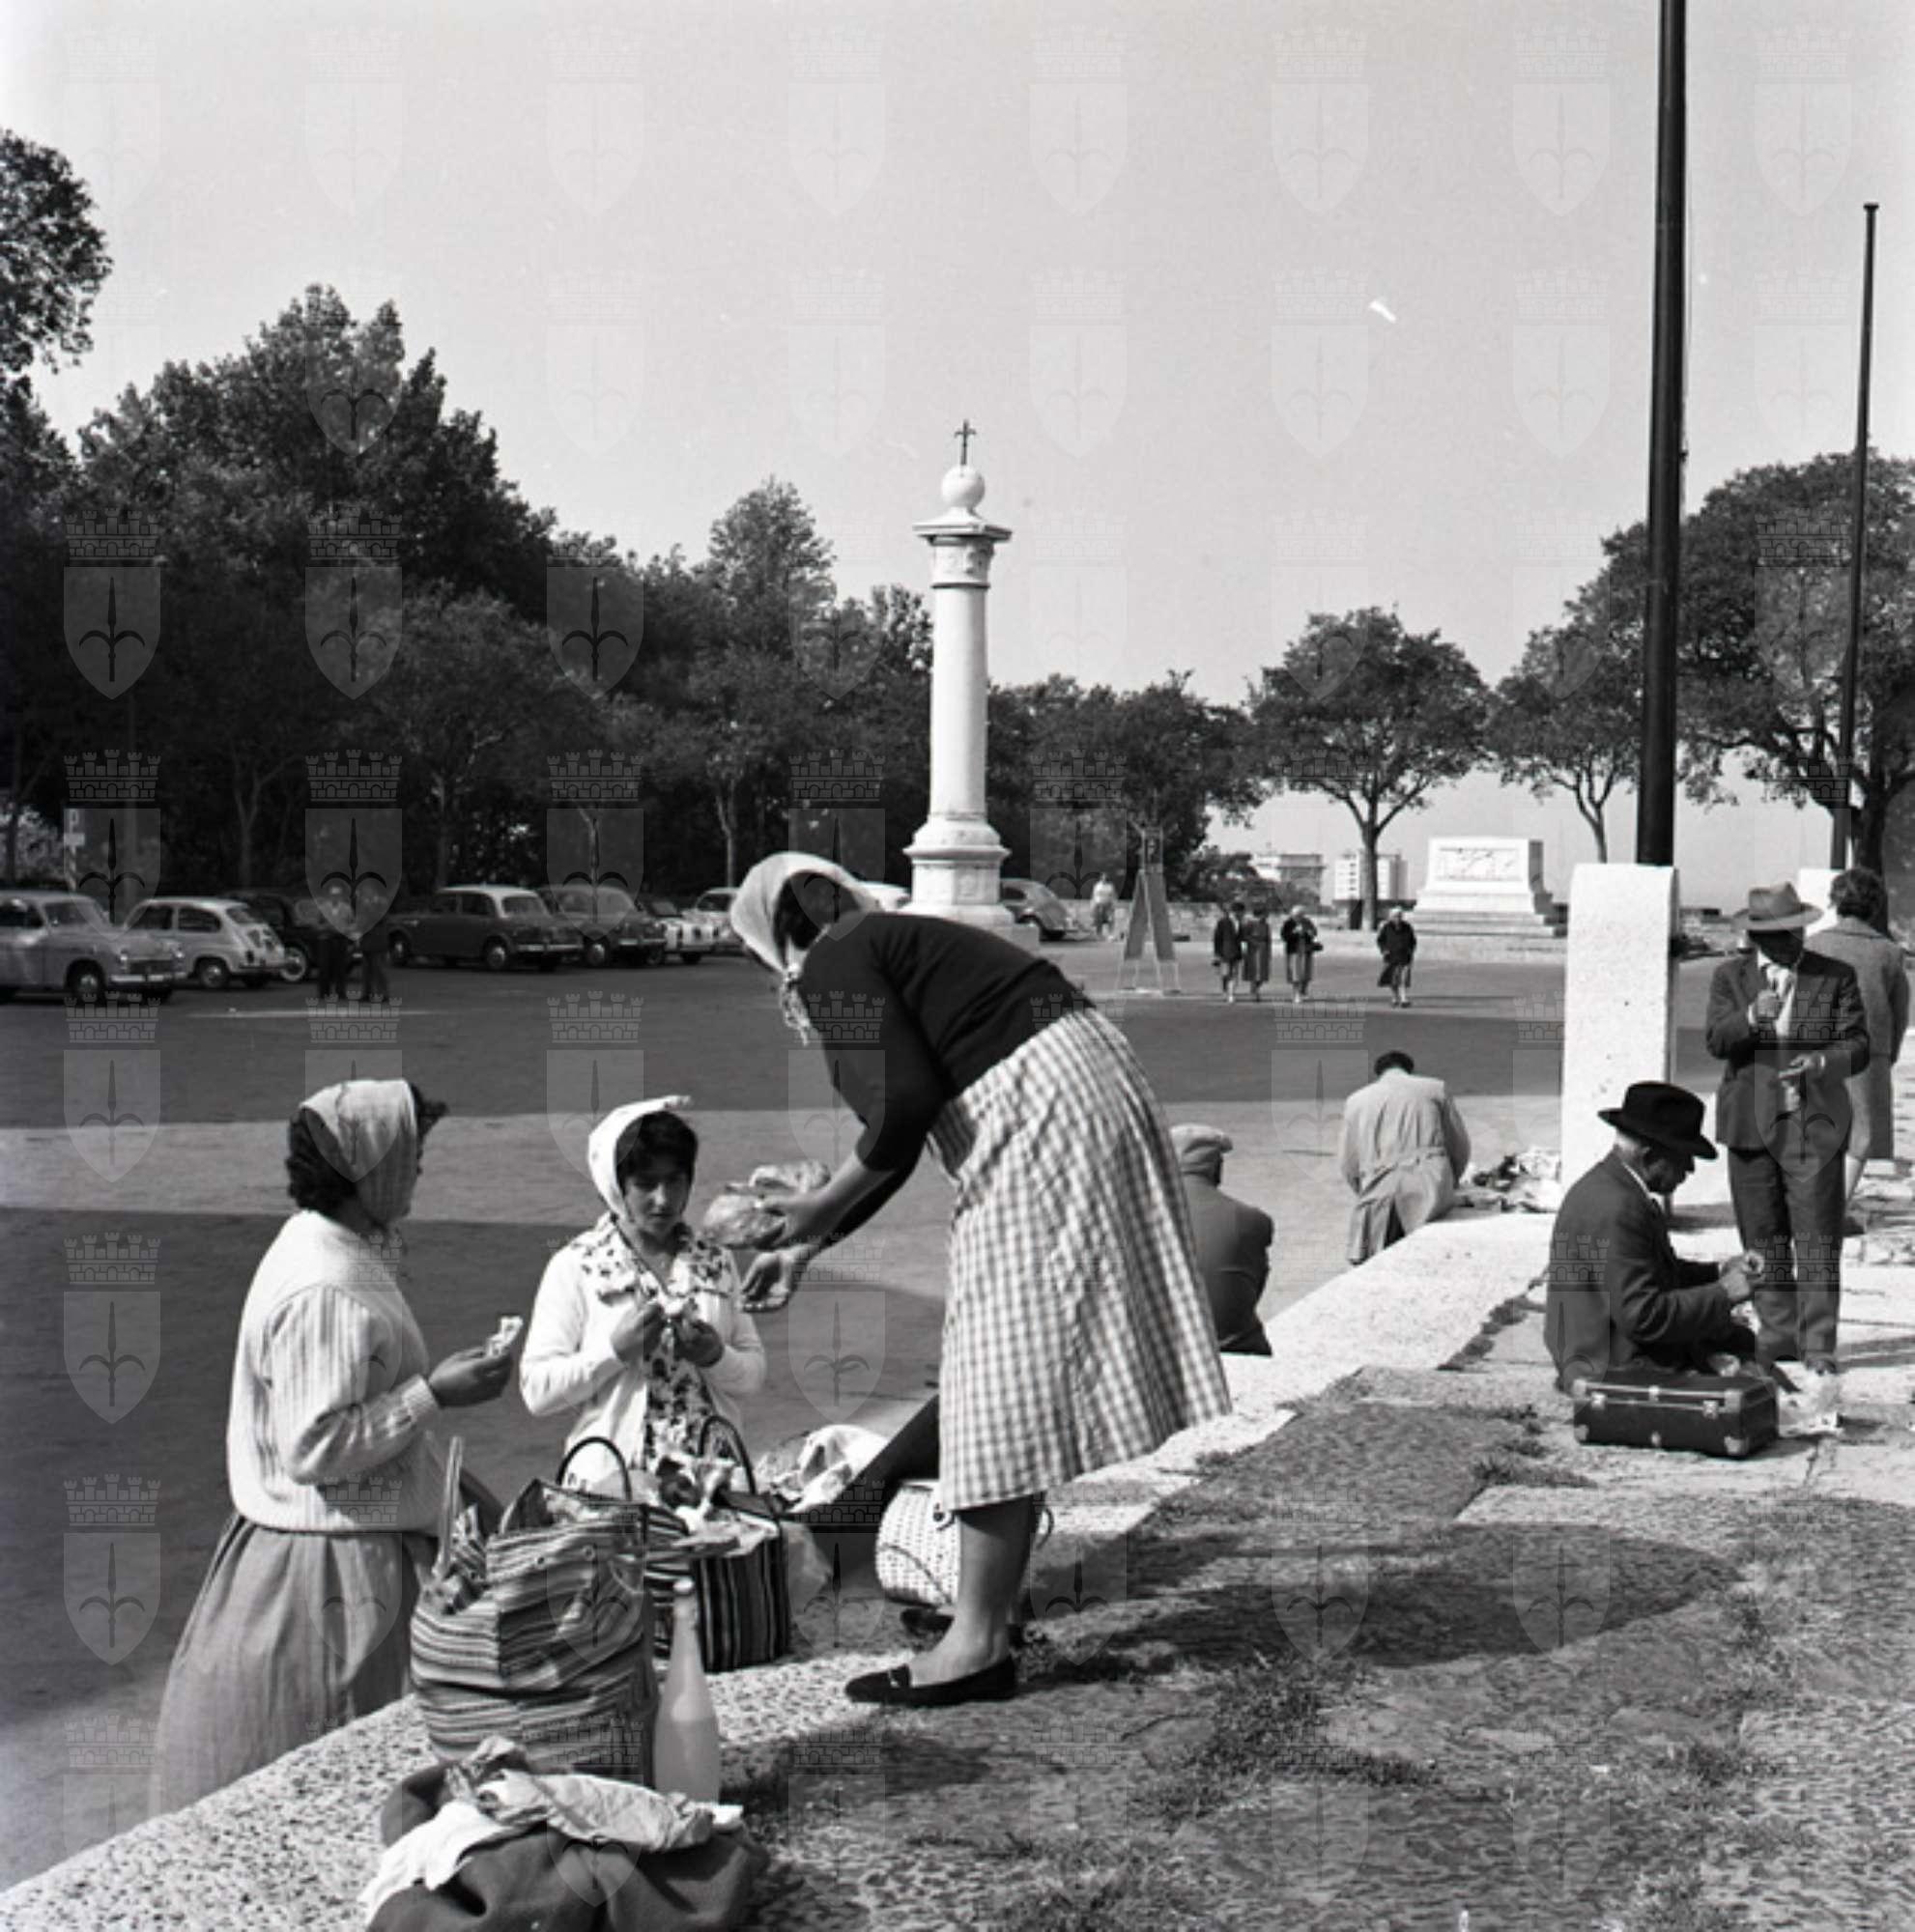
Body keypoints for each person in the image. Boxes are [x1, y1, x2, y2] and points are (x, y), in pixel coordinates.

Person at [729, 853, 1229, 1708]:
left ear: (773, 938)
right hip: (1073, 1089)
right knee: (1008, 1370)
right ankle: (983, 1616)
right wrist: (808, 1243)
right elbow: (895, 1138)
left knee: (992, 1374)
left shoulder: (838, 955)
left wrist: (813, 1211)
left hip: (1040, 1115)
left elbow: (902, 1108)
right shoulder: (887, 941)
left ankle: (977, 1642)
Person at [152, 1079, 512, 1812]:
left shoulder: (326, 1243)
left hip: (344, 1535)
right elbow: (314, 1447)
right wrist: (434, 1393)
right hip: (337, 1558)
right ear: (372, 1170)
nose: (419, 1172)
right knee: (357, 1754)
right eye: (411, 1158)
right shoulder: (326, 1284)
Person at [520, 1098, 766, 1491]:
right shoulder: (578, 1265)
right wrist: (614, 1352)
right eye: (646, 1184)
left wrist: (714, 1355)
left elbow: (752, 1376)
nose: (663, 1200)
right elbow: (538, 1391)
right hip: (614, 1485)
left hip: (713, 1482)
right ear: (616, 1187)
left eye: (675, 1180)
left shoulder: (715, 1260)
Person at [1705, 882, 1869, 1391]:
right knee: (1763, 1236)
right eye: (1776, 937)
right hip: (1748, 1124)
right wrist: (1751, 1017)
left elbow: (1858, 1044)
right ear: (1755, 938)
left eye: (1794, 933)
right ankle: (1778, 1335)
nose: (1788, 944)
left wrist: (1821, 1063)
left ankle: (1818, 1344)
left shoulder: (1835, 976)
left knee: (1817, 1237)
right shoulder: (1729, 978)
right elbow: (1716, 1040)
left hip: (1813, 1125)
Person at [1545, 1081, 1760, 1393]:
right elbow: (1642, 1316)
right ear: (1648, 1156)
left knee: (1741, 1341)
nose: (1689, 1170)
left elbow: (1650, 1270)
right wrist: (1723, 1294)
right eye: (1683, 1157)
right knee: (1746, 1364)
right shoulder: (1618, 1206)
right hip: (1608, 1365)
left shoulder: (1616, 1188)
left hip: (1606, 1349)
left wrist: (1719, 1272)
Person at [1806, 867, 1909, 1206]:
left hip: (1818, 1047)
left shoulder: (1814, 944)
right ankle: (1836, 1208)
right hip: (1869, 1050)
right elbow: (1899, 1011)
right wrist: (1889, 1054)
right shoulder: (1889, 952)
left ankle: (1816, 1205)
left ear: (1835, 902)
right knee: (1861, 1135)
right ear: (1875, 906)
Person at [1338, 1050, 1472, 1264]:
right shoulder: (1435, 1088)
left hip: (1378, 1186)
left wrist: (1365, 1189)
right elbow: (1458, 1144)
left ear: (1379, 1074)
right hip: (1430, 1181)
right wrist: (1451, 1182)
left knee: (1372, 1253)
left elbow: (1348, 1161)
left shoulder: (1356, 1100)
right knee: (1431, 1257)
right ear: (1410, 1070)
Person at [1171, 1123, 1272, 1355]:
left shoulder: (1140, 1216)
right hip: (1236, 1346)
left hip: (1167, 1347)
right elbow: (1251, 1288)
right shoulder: (1252, 1220)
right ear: (1217, 1168)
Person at [314, 884, 355, 1000]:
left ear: (340, 896)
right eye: (333, 895)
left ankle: (341, 992)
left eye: (337, 895)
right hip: (326, 940)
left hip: (340, 940)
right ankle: (324, 993)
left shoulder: (347, 909)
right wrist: (325, 928)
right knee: (324, 967)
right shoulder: (323, 908)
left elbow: (352, 924)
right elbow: (316, 925)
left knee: (340, 967)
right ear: (329, 896)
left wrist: (345, 929)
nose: (335, 897)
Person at [1377, 906, 1416, 1008]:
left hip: (1405, 957)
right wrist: (1384, 950)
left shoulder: (1407, 927)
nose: (1397, 918)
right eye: (1395, 916)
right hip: (1391, 957)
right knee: (1392, 980)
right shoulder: (1387, 927)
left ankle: (1404, 999)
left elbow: (1413, 941)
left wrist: (1410, 951)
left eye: (1399, 916)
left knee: (1404, 979)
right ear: (1391, 917)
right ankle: (1395, 998)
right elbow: (1380, 940)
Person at [1280, 906, 1321, 1006]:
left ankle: (1303, 990)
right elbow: (1284, 936)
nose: (1299, 918)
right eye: (1297, 916)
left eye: (1301, 915)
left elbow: (1314, 932)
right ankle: (1296, 994)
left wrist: (1310, 933)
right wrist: (1294, 933)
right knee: (1295, 973)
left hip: (1306, 950)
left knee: (1306, 972)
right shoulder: (1288, 923)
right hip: (1294, 951)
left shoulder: (1307, 922)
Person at [1212, 899, 1247, 1002]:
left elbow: (1243, 938)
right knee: (1226, 973)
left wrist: (1244, 950)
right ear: (1237, 911)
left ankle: (1231, 994)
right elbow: (1217, 938)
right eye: (1242, 912)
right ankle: (1225, 990)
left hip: (1237, 952)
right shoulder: (1223, 922)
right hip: (1224, 952)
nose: (1243, 914)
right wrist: (1217, 953)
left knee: (1234, 973)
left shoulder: (1241, 923)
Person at [1241, 903, 1273, 1003]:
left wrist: (1269, 951)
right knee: (1254, 973)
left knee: (1262, 975)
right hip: (1253, 951)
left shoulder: (1266, 925)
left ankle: (1255, 990)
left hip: (1263, 951)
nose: (1267, 915)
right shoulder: (1250, 924)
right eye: (1265, 913)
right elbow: (1244, 936)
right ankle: (1254, 993)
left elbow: (1268, 939)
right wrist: (1254, 943)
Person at [357, 911, 392, 1005]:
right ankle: (367, 993)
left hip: (377, 942)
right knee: (366, 971)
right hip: (367, 942)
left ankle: (383, 994)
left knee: (379, 970)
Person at [1090, 873, 1118, 941]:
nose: (1104, 879)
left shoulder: (1110, 886)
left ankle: (1110, 935)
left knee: (1110, 919)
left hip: (1108, 904)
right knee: (1099, 920)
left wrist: (1114, 904)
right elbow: (1093, 895)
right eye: (1103, 878)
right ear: (1101, 878)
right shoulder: (1097, 885)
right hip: (1099, 904)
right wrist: (1092, 905)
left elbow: (1113, 895)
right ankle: (1099, 935)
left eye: (1105, 878)